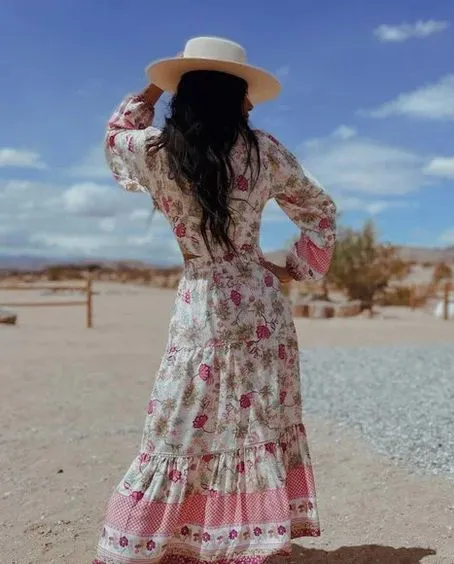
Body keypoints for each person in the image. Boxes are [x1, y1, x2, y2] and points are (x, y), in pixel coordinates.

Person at [93, 36, 337, 564]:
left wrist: (158, 85)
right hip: (259, 303)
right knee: (258, 423)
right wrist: (294, 268)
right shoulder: (263, 151)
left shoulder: (156, 153)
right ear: (232, 96)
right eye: (245, 92)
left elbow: (117, 134)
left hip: (199, 303)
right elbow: (320, 209)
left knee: (181, 420)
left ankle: (172, 538)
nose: (251, 103)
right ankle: (254, 540)